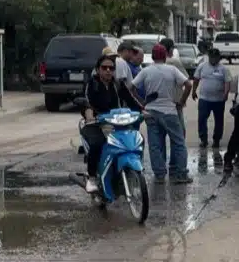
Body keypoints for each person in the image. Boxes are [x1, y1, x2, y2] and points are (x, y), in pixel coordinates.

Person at [132, 43, 193, 183]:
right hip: (170, 111)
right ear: (165, 56)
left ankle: (159, 175)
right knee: (178, 142)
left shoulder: (146, 71)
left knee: (155, 144)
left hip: (151, 112)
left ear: (152, 56)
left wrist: (141, 102)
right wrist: (181, 101)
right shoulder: (172, 70)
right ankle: (180, 173)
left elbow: (131, 87)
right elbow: (188, 84)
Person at [79, 54, 125, 192]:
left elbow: (131, 98)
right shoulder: (91, 84)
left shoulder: (117, 84)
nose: (108, 71)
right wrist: (89, 116)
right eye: (104, 68)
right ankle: (92, 178)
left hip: (115, 121)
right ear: (98, 69)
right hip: (94, 123)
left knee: (133, 138)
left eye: (111, 68)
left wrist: (143, 110)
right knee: (97, 144)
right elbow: (86, 101)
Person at [192, 46, 231, 148]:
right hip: (204, 99)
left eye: (215, 57)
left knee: (219, 120)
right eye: (211, 57)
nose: (213, 59)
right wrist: (193, 91)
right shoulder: (202, 66)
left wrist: (226, 94)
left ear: (219, 58)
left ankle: (216, 140)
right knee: (202, 119)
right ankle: (203, 139)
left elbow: (227, 82)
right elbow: (196, 79)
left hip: (219, 100)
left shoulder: (224, 69)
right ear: (208, 57)